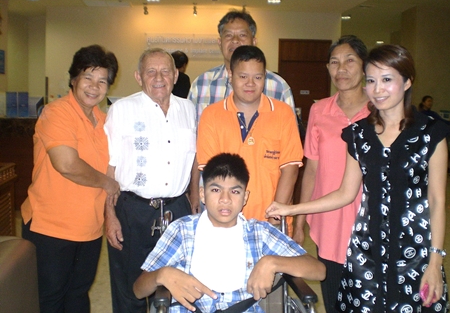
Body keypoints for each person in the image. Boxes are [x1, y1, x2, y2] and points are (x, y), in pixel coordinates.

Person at [267, 44, 449, 312]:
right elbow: (344, 193)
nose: (377, 89)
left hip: (414, 252)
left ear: (407, 81)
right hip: (366, 252)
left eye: (387, 80)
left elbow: (437, 200)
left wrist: (435, 262)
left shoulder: (430, 132)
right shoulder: (358, 134)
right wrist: (292, 210)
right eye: (372, 80)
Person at [133, 153, 326, 312]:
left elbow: (319, 270)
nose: (225, 199)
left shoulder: (259, 233)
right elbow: (139, 290)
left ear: (245, 197)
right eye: (216, 190)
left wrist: (272, 262)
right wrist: (162, 274)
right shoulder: (182, 231)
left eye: (235, 192)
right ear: (202, 194)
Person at [21, 44, 120, 312]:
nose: (94, 86)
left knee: (78, 294)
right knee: (50, 298)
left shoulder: (103, 120)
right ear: (74, 78)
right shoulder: (57, 113)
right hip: (51, 227)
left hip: (88, 228)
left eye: (102, 81)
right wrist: (107, 183)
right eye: (88, 77)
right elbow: (67, 164)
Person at [104, 48, 199, 312]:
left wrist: (194, 196)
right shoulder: (122, 110)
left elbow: (193, 157)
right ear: (138, 76)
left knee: (176, 283)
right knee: (130, 287)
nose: (159, 77)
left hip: (177, 209)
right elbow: (109, 169)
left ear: (176, 74)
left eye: (165, 71)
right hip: (132, 210)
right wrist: (109, 215)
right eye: (151, 71)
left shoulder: (188, 109)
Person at [292, 35, 370, 312]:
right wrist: (299, 221)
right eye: (334, 62)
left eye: (350, 61)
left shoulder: (379, 110)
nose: (341, 69)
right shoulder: (319, 110)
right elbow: (311, 169)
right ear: (327, 69)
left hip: (369, 222)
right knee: (335, 298)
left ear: (364, 67)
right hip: (329, 221)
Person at [197, 45, 302, 232]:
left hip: (272, 221)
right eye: (243, 76)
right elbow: (211, 175)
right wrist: (226, 222)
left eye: (258, 77)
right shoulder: (211, 115)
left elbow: (290, 169)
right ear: (230, 75)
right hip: (224, 222)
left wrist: (274, 218)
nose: (250, 84)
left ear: (265, 77)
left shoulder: (283, 113)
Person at [188, 9, 295, 123]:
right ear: (220, 43)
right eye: (228, 35)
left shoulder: (278, 86)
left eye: (242, 35)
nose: (235, 40)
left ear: (254, 42)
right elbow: (189, 135)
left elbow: (290, 135)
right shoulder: (201, 84)